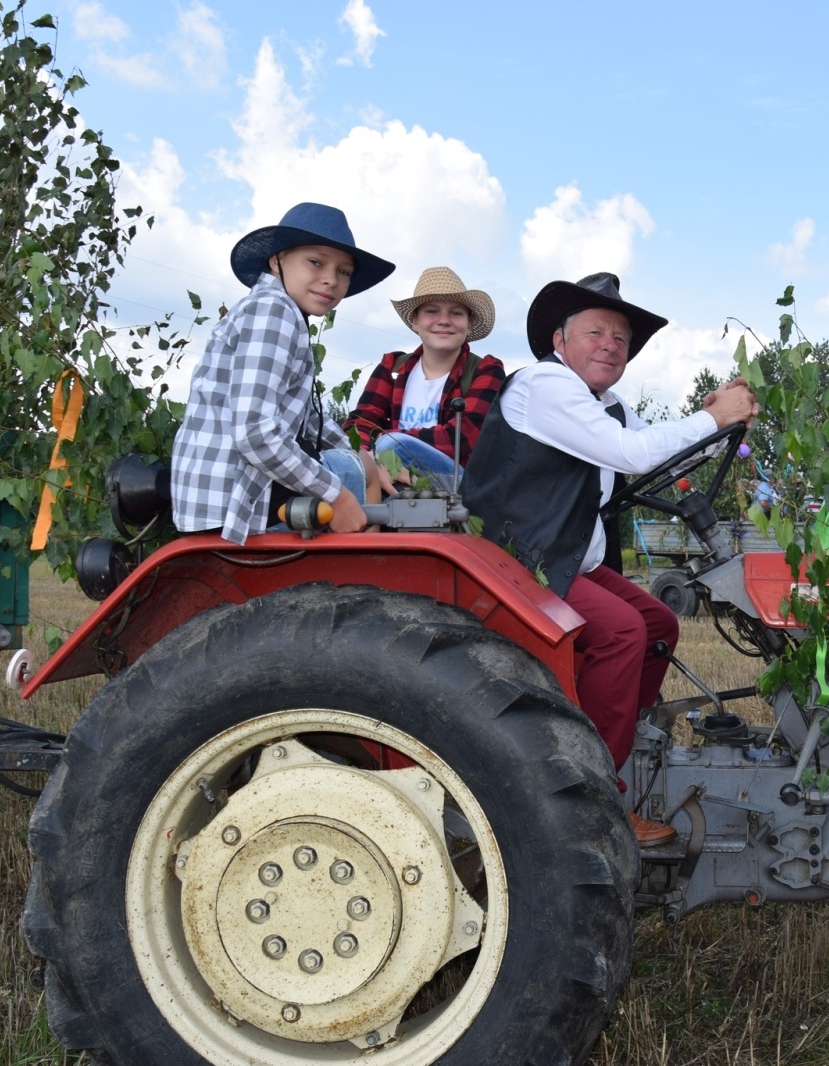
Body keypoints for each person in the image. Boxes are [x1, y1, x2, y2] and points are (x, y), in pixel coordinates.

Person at [462, 273, 759, 846]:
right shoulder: (546, 386)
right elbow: (628, 453)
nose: (609, 345)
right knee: (623, 632)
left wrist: (718, 425)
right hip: (522, 560)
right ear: (559, 340)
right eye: (595, 331)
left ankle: (619, 737)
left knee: (659, 624)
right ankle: (592, 794)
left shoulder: (610, 404)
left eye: (620, 339)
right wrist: (712, 418)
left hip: (572, 560)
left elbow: (656, 459)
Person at [171, 202, 395, 544]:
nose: (331, 280)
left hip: (216, 496)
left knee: (361, 466)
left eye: (344, 272)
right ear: (277, 261)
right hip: (237, 500)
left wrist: (367, 460)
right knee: (352, 476)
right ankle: (369, 556)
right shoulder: (274, 311)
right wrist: (338, 496)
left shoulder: (273, 309)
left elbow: (306, 420)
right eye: (316, 262)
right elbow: (254, 434)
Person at [345, 267, 506, 487]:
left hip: (456, 481)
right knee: (342, 458)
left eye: (456, 313)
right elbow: (360, 423)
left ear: (469, 324)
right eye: (432, 311)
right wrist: (369, 459)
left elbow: (462, 438)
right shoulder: (393, 367)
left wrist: (385, 441)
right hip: (385, 469)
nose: (444, 320)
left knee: (393, 445)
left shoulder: (485, 370)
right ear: (415, 322)